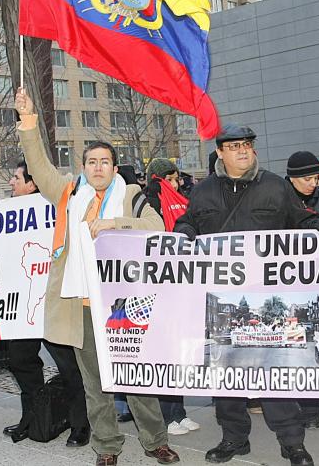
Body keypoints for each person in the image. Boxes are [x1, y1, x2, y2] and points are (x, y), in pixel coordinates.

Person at [14, 89, 178, 466]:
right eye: (92, 162)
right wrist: (28, 121)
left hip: (125, 307)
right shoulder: (69, 195)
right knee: (95, 384)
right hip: (83, 306)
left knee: (137, 379)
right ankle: (107, 447)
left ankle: (156, 442)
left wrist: (113, 224)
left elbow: (156, 229)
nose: (98, 167)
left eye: (105, 161)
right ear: (84, 167)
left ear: (115, 168)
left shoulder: (132, 195)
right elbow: (39, 168)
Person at [175, 124, 319, 466]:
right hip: (223, 302)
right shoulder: (204, 191)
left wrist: (315, 229)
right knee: (226, 374)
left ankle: (292, 442)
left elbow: (299, 221)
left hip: (268, 301)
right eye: (235, 146)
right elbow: (188, 222)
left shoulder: (274, 186)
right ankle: (233, 438)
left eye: (248, 145)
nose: (244, 151)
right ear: (221, 152)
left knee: (273, 373)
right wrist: (182, 231)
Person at [3, 161, 90, 446]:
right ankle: (34, 417)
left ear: (32, 183)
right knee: (20, 361)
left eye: (16, 178)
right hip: (23, 306)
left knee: (68, 367)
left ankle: (80, 424)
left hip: (55, 302)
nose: (11, 183)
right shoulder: (4, 213)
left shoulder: (60, 205)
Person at [141, 158, 199, 436]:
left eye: (178, 179)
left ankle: (179, 412)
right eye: (172, 179)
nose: (177, 184)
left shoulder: (178, 199)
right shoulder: (149, 200)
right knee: (165, 352)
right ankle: (168, 417)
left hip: (178, 282)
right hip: (159, 284)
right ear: (160, 179)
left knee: (177, 352)